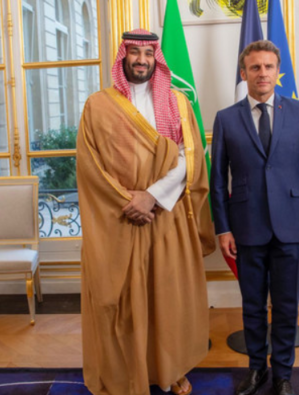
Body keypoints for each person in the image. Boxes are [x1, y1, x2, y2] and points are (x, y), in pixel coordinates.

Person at [76, 29, 215, 395]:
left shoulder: (179, 103)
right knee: (122, 303)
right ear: (123, 57)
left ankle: (172, 369)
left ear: (157, 58)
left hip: (165, 217)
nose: (141, 59)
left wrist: (151, 196)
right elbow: (90, 167)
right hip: (118, 218)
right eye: (134, 52)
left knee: (170, 299)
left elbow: (191, 159)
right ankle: (124, 373)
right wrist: (129, 201)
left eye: (148, 53)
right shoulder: (98, 105)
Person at [210, 40, 299, 395]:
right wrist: (223, 228)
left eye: (269, 66)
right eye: (255, 67)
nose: (262, 73)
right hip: (246, 227)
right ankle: (257, 369)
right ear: (244, 74)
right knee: (254, 306)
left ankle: (283, 375)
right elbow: (216, 180)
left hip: (292, 225)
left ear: (278, 71)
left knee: (288, 306)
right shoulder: (226, 119)